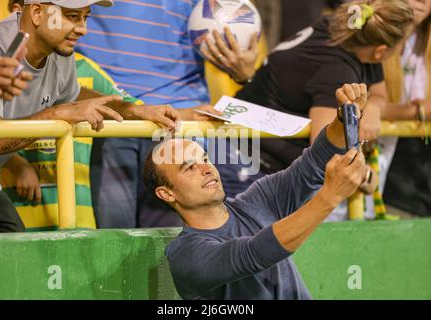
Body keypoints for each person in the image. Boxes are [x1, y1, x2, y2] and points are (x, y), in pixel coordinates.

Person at [143, 83, 368, 300]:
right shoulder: (184, 254)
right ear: (167, 194)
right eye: (189, 167)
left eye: (205, 158)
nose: (206, 169)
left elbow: (315, 162)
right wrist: (331, 196)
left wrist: (343, 118)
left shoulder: (257, 199)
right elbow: (254, 255)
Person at [0, 0, 180, 233]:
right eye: (73, 16)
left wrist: (134, 110)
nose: (83, 29)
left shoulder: (58, 51)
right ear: (36, 13)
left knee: (16, 260)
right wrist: (57, 114)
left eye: (86, 17)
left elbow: (74, 95)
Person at [75, 0, 259, 228]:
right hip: (108, 118)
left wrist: (245, 74)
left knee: (179, 241)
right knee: (114, 241)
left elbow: (231, 16)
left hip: (182, 123)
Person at [225, 0, 414, 220]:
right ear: (381, 52)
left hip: (248, 152)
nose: (400, 50)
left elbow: (379, 94)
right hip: (246, 164)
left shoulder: (348, 30)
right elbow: (324, 153)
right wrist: (368, 178)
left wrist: (372, 108)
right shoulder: (337, 71)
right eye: (401, 45)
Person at [380, 0, 431, 217]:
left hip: (419, 180)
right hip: (390, 184)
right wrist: (419, 112)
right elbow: (364, 107)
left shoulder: (423, 42)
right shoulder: (369, 32)